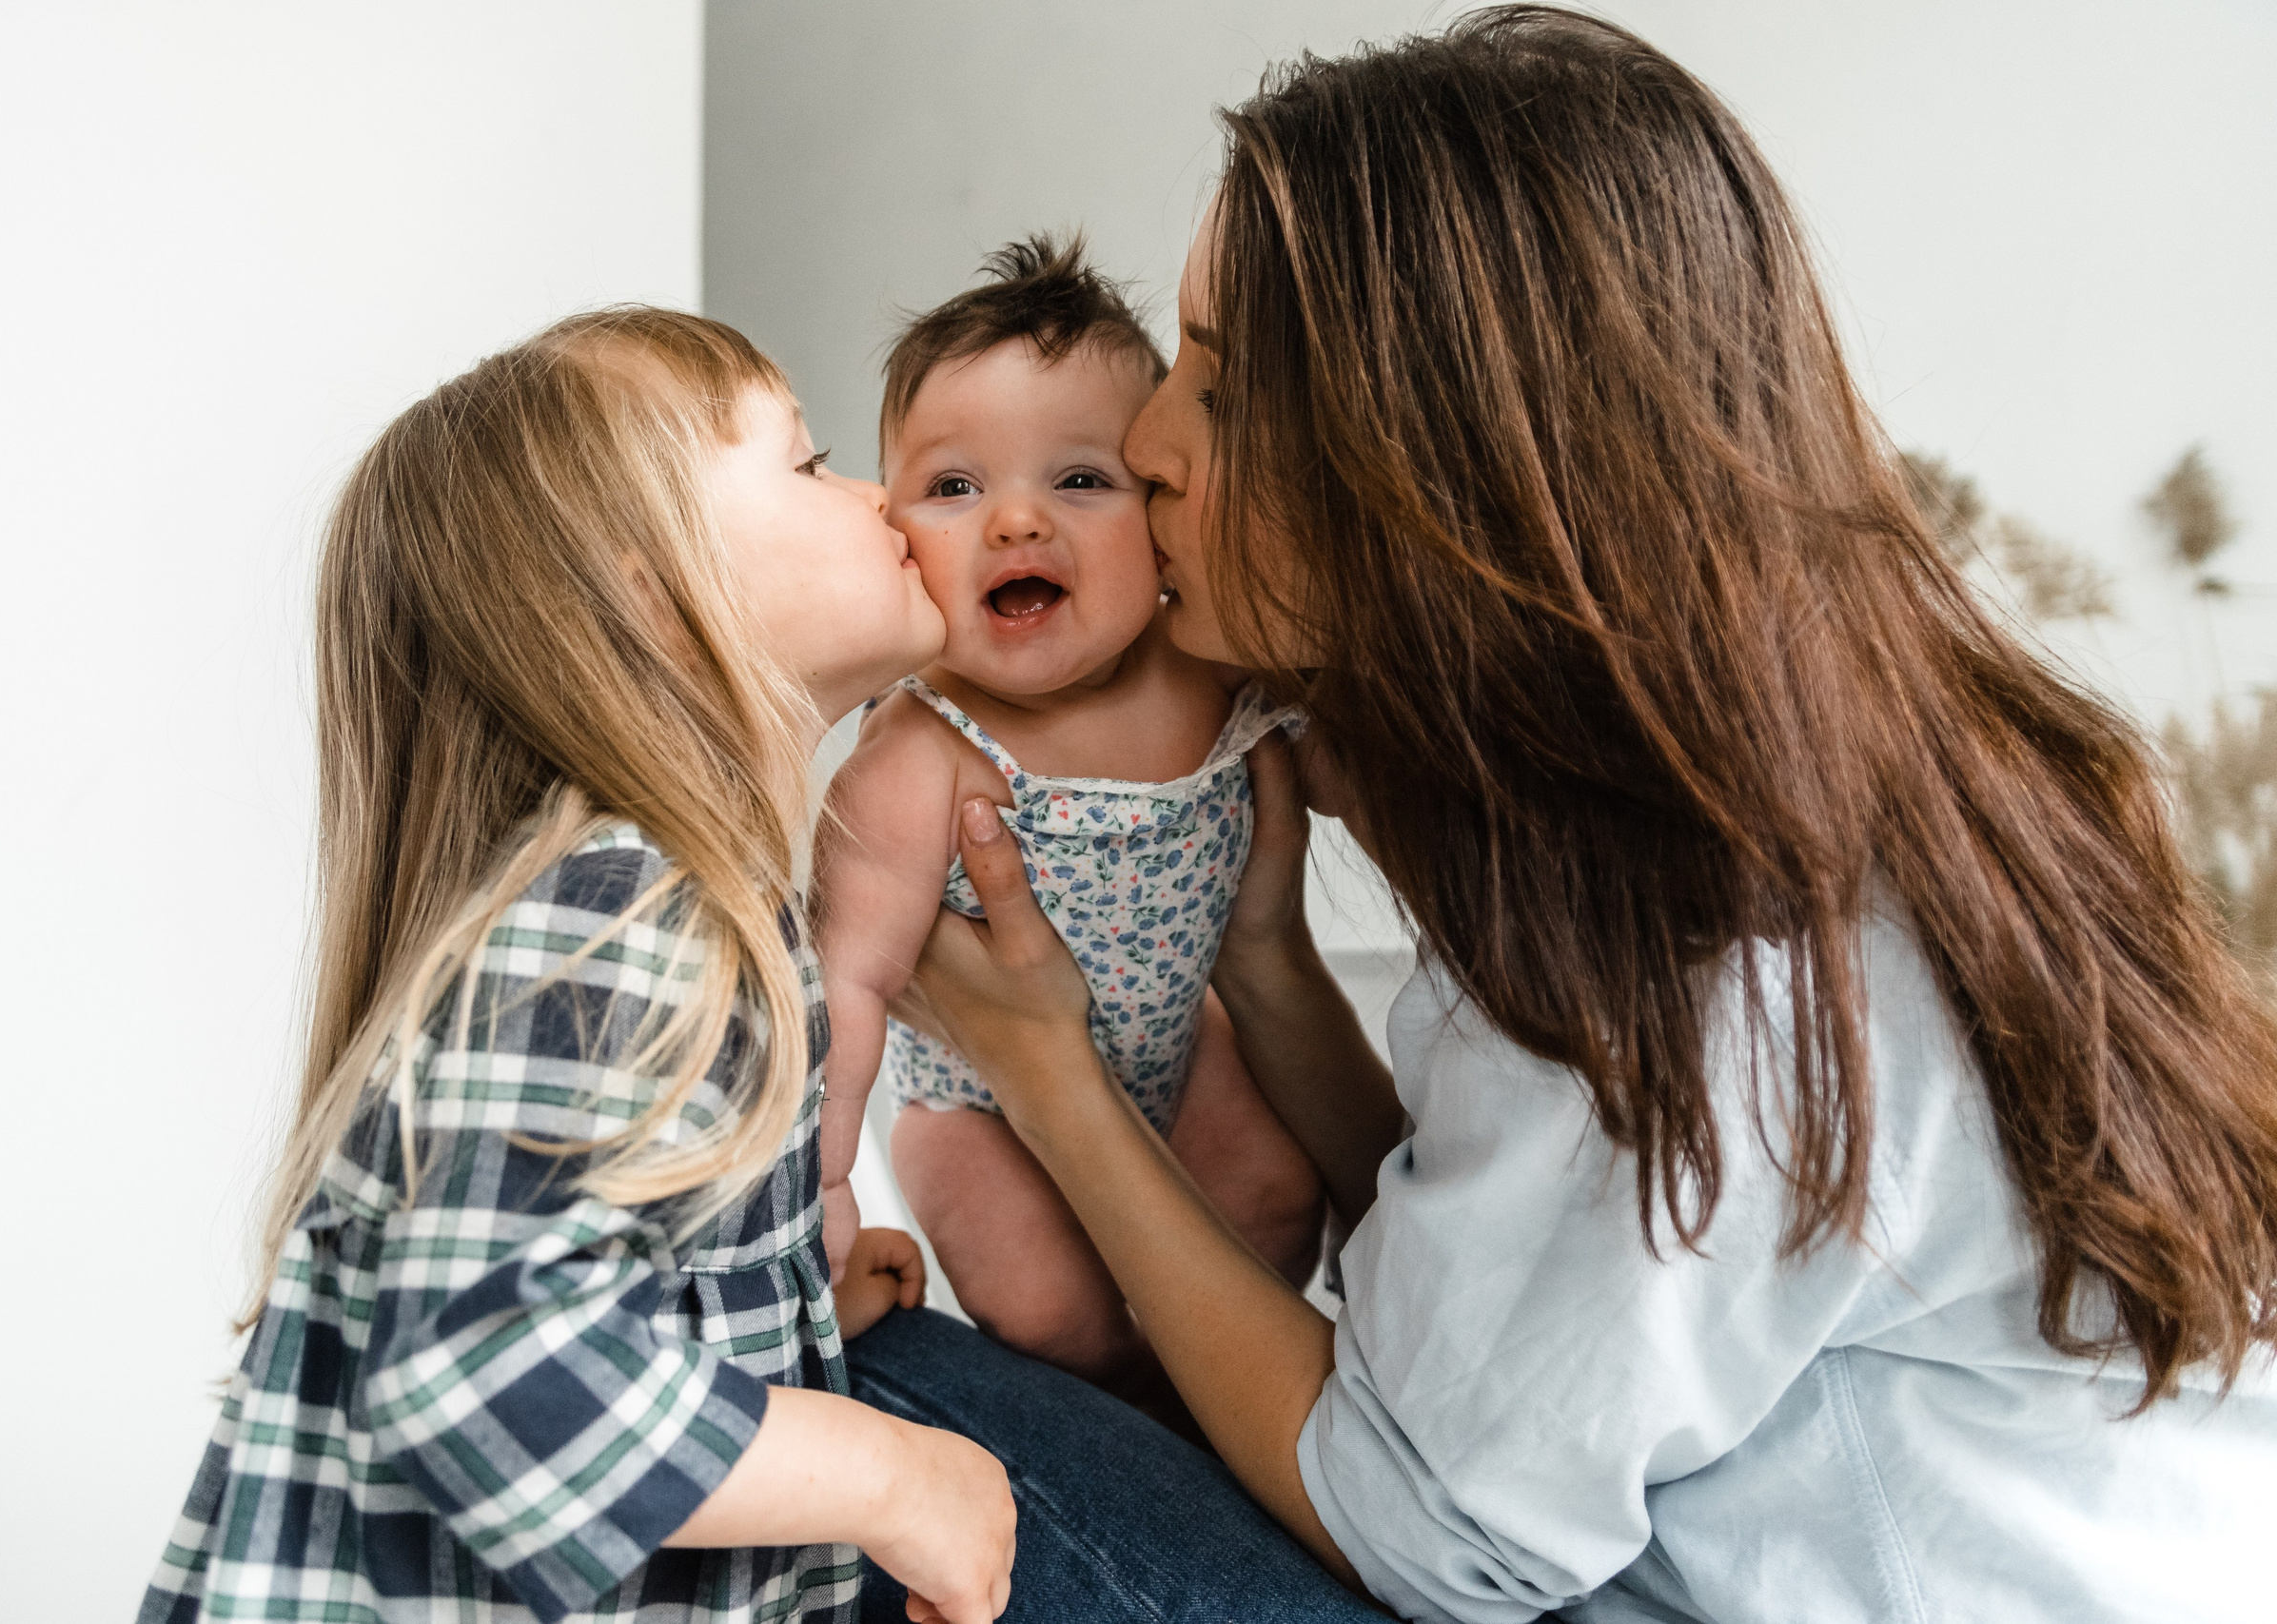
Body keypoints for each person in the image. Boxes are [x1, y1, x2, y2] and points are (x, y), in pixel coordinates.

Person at [851, 9, 2277, 1621]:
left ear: (1430, 467)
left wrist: (1047, 1073)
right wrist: (1270, 964)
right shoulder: (1767, 791)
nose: (1153, 446)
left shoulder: (1725, 952)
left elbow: (1429, 1528)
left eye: (1224, 387)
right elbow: (1514, 1302)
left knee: (856, 1394)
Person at [136, 308, 1014, 1624]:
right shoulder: (628, 908)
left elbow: (575, 1275)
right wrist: (894, 1474)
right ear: (645, 586)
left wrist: (771, 1300)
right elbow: (483, 1360)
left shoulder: (656, 897)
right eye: (806, 459)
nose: (873, 495)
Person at [815, 235, 1322, 1386]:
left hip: (1181, 1054)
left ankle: (1198, 1416)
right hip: (979, 1112)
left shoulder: (1207, 670)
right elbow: (845, 979)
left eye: (1080, 480)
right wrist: (829, 1184)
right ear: (894, 536)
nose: (1013, 524)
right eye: (954, 487)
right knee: (1047, 1313)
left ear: (1162, 521)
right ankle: (1115, 1415)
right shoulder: (925, 754)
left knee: (1280, 1208)